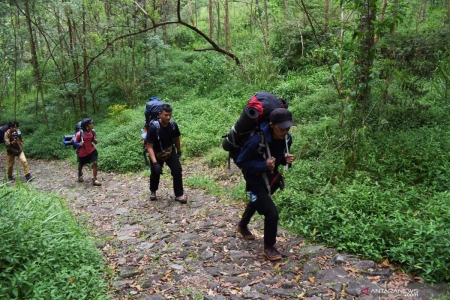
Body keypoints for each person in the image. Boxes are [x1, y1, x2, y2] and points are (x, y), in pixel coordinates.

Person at [235, 108, 295, 261]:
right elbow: (241, 161)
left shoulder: (287, 139)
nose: (285, 131)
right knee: (271, 213)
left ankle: (242, 225)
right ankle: (269, 247)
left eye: (288, 128)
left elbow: (278, 157)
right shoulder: (256, 140)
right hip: (254, 179)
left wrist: (284, 159)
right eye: (282, 128)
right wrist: (263, 165)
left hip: (269, 177)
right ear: (272, 125)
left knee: (257, 201)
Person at [145, 104, 187, 204]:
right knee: (155, 173)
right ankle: (153, 191)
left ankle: (179, 195)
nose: (168, 117)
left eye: (169, 115)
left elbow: (176, 139)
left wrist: (179, 151)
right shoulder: (154, 128)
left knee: (177, 170)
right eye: (165, 115)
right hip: (156, 153)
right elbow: (149, 146)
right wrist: (155, 163)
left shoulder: (173, 125)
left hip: (169, 150)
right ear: (160, 114)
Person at [74, 118, 101, 186]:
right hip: (83, 153)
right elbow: (74, 142)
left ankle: (95, 179)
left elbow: (93, 139)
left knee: (95, 163)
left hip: (91, 150)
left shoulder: (92, 131)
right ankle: (80, 173)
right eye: (90, 124)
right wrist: (79, 144)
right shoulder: (79, 134)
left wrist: (95, 141)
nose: (92, 125)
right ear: (86, 126)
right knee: (81, 165)